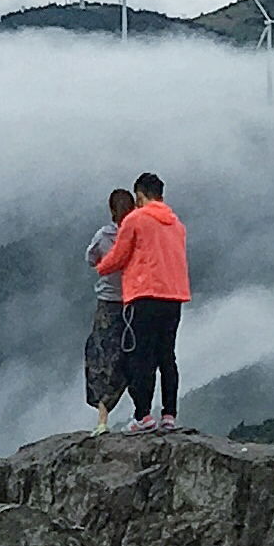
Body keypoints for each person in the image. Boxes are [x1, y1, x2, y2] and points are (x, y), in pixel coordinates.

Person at [95, 170, 190, 431]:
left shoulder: (136, 220)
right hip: (175, 295)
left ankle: (143, 417)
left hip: (145, 295)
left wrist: (101, 267)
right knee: (166, 356)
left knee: (141, 356)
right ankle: (169, 415)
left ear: (140, 196)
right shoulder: (177, 224)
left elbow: (119, 255)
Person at [82, 187, 136, 432]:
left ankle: (102, 420)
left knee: (102, 359)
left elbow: (91, 259)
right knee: (134, 358)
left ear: (111, 210)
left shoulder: (103, 236)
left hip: (108, 303)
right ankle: (142, 414)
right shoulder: (138, 234)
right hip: (135, 302)